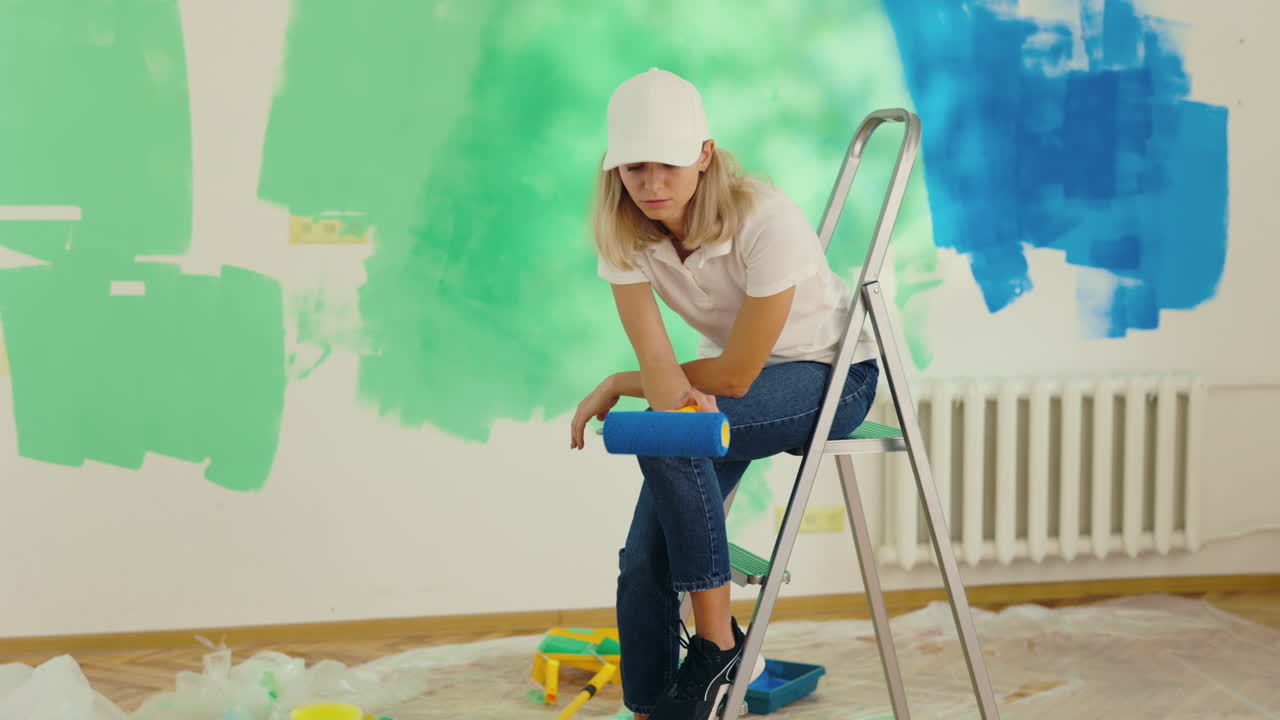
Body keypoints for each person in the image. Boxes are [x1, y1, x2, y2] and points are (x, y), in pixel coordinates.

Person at [569, 67, 880, 720]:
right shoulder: (624, 230)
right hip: (739, 380)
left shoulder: (763, 217)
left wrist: (622, 386)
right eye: (634, 169)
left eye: (668, 167)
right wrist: (651, 387)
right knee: (640, 565)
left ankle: (716, 645)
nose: (651, 185)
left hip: (830, 373)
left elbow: (736, 375)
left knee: (669, 435)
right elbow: (659, 363)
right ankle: (657, 707)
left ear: (704, 156)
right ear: (614, 169)